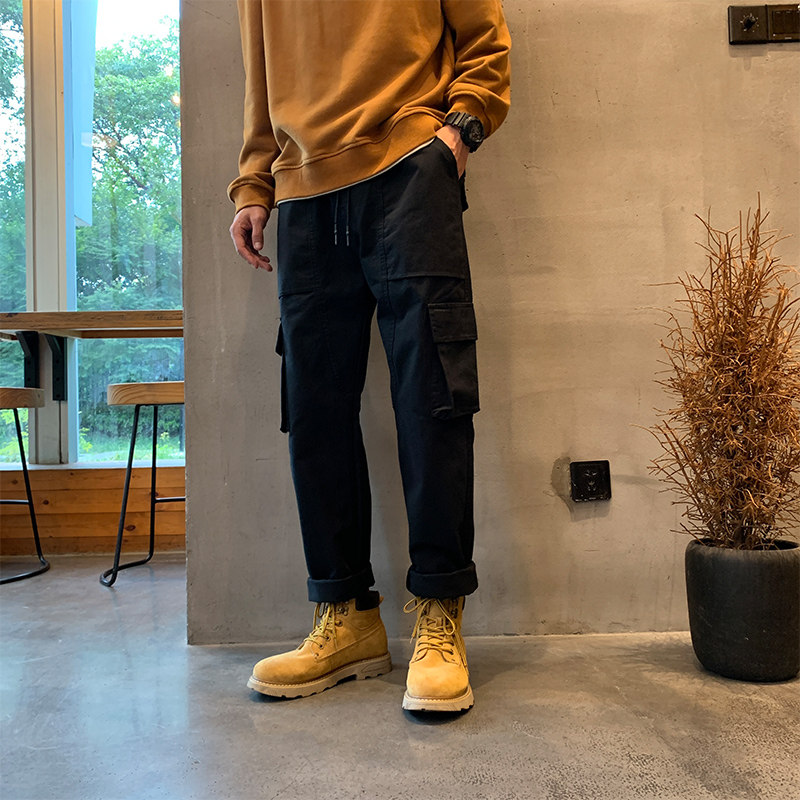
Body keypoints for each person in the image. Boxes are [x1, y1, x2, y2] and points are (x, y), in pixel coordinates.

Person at [228, 0, 511, 712]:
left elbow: (484, 35)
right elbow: (259, 74)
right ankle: (346, 615)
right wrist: (255, 180)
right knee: (313, 411)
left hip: (409, 167)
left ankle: (440, 611)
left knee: (433, 396)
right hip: (302, 191)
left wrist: (461, 128)